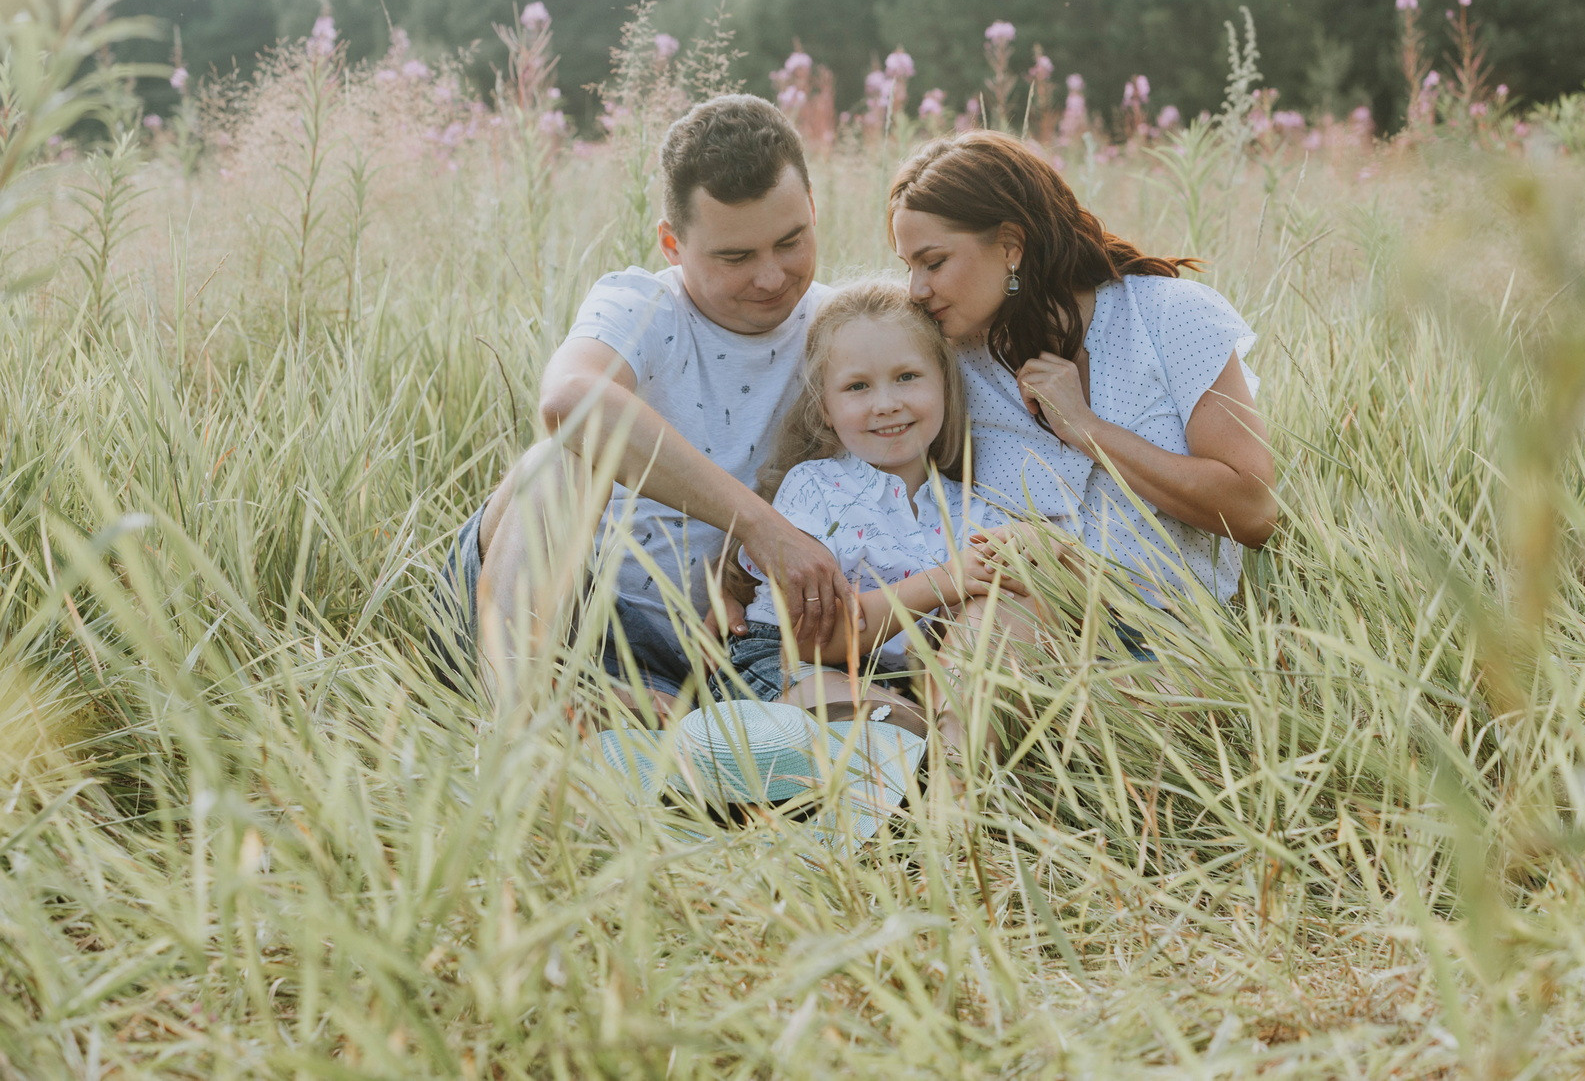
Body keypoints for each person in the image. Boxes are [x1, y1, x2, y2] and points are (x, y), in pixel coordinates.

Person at [434, 95, 853, 717]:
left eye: (791, 242)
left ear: (813, 210)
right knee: (560, 457)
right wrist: (763, 530)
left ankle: (640, 716)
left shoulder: (844, 327)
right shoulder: (640, 306)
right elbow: (568, 401)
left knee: (849, 721)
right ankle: (522, 718)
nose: (770, 277)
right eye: (735, 257)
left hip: (731, 645)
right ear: (671, 243)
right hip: (571, 608)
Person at [887, 130, 1278, 627]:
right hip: (1016, 627)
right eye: (909, 266)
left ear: (1010, 245)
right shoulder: (943, 360)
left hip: (1172, 643)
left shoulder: (1169, 316)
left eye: (934, 262)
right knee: (1007, 609)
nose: (916, 289)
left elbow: (1255, 511)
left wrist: (1087, 429)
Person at [729, 279, 1028, 753]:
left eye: (907, 377)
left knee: (928, 728)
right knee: (890, 723)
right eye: (857, 387)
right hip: (796, 664)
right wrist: (948, 580)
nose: (886, 403)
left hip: (902, 676)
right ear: (825, 408)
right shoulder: (815, 488)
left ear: (945, 386)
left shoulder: (971, 508)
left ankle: (926, 786)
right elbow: (815, 640)